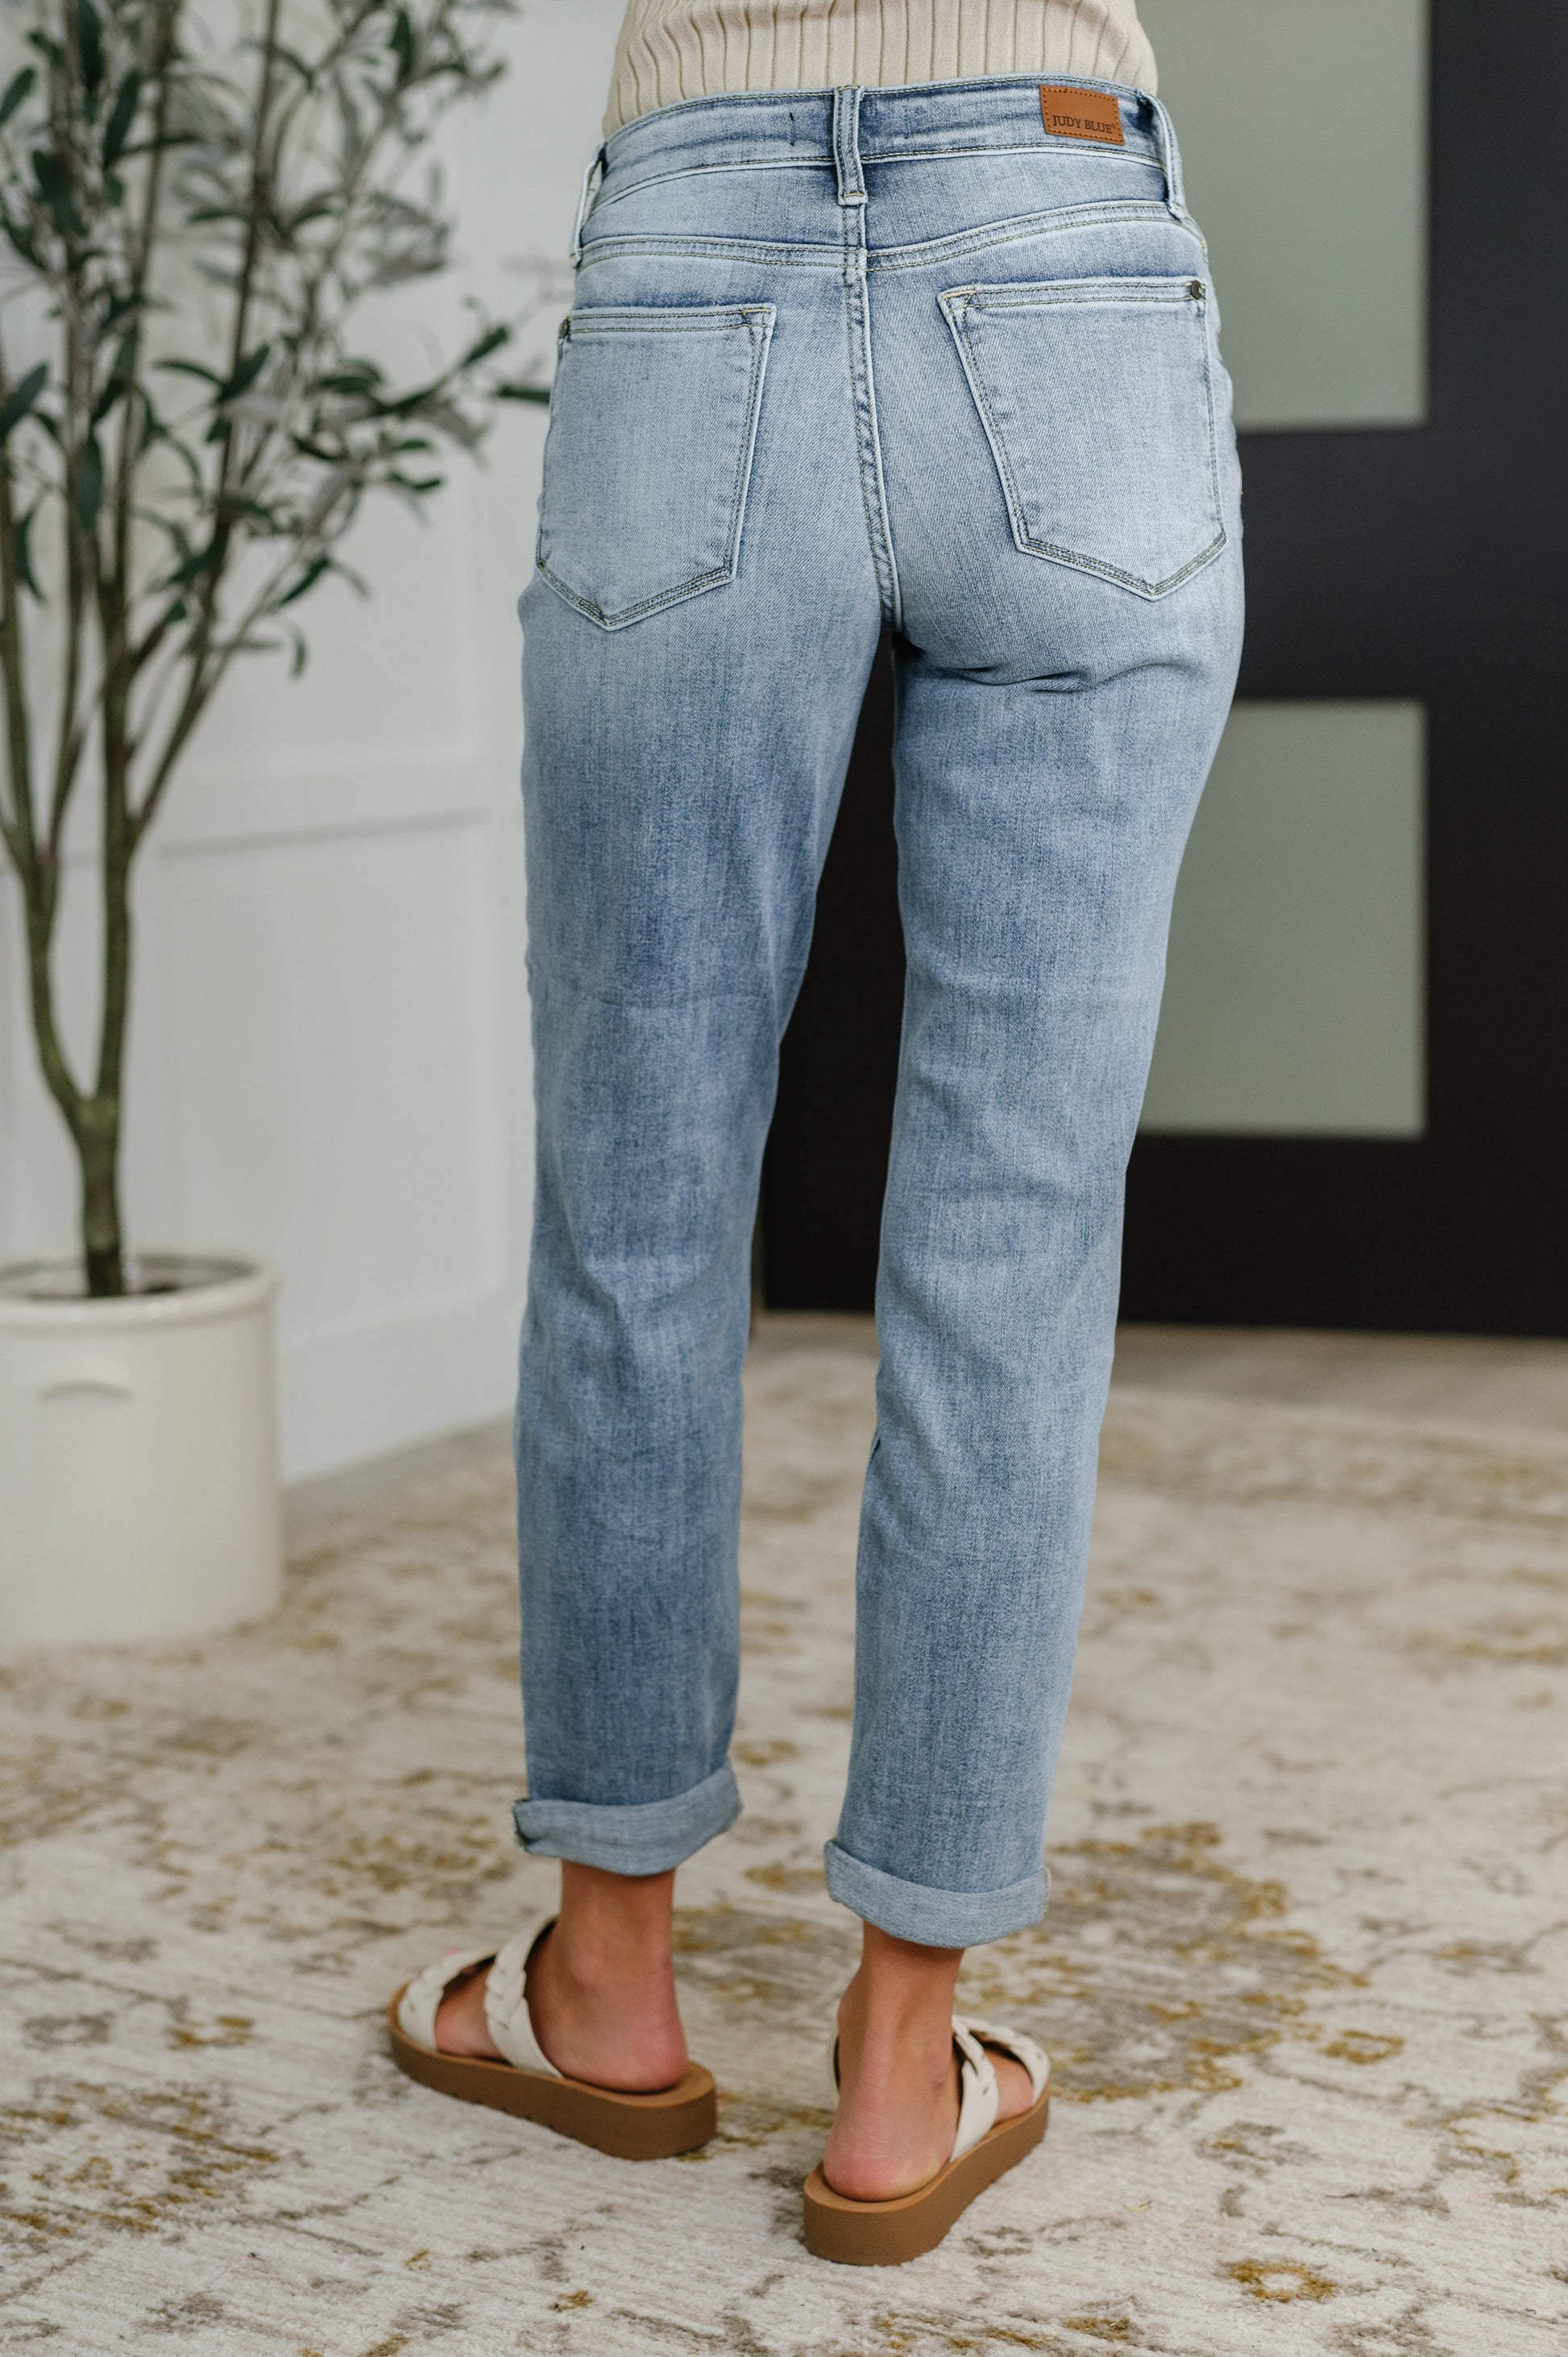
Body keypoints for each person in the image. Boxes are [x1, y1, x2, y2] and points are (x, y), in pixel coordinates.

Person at [390, 0, 1242, 2265]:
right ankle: (899, 2067)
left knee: (636, 1210)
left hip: (702, 237)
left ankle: (606, 1985)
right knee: (1014, 1240)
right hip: (1065, 227)